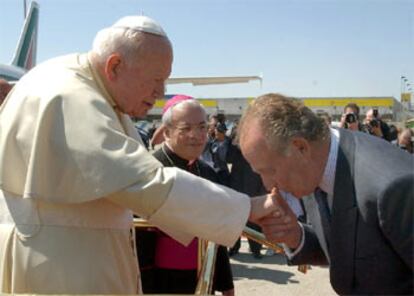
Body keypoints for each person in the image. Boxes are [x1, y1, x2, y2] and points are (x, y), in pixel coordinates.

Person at [0, 16, 279, 294]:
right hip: (61, 270)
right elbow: (140, 181)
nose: (161, 93)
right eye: (156, 80)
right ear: (115, 66)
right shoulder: (68, 95)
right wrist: (246, 208)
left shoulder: (83, 86)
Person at [238, 93, 413, 295]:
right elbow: (351, 248)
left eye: (270, 171)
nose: (268, 185)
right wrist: (296, 235)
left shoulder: (393, 188)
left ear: (300, 147)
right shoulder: (315, 164)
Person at [147, 97, 234, 295]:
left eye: (202, 127)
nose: (196, 135)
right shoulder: (150, 169)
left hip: (202, 275)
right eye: (185, 128)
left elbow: (215, 234)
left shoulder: (207, 171)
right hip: (160, 281)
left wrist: (226, 283)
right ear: (167, 131)